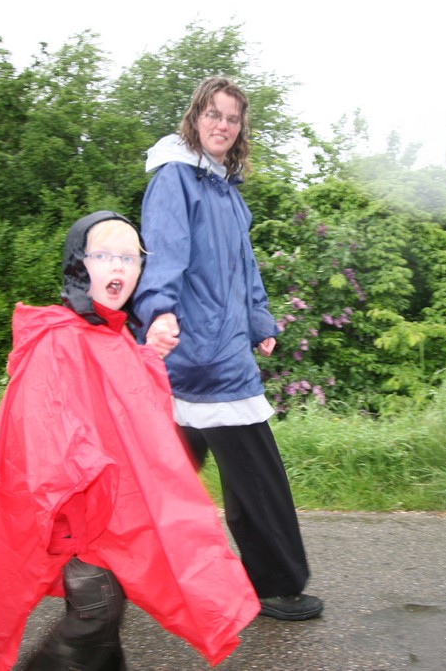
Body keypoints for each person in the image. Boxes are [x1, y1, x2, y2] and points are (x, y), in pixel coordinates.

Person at [0, 211, 258, 671]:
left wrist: (149, 357)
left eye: (130, 258)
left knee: (104, 619)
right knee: (97, 613)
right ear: (78, 265)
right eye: (104, 255)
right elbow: (42, 436)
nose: (119, 266)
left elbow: (134, 417)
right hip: (78, 520)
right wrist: (76, 504)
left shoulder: (111, 335)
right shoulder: (57, 339)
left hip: (110, 517)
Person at [133, 76, 324, 622]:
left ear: (240, 130)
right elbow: (163, 252)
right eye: (213, 114)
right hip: (202, 357)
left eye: (232, 118)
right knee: (256, 475)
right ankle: (276, 584)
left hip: (223, 348)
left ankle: (107, 562)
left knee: (162, 477)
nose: (222, 125)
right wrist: (159, 310)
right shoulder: (175, 179)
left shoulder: (227, 192)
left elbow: (244, 267)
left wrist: (259, 319)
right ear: (195, 117)